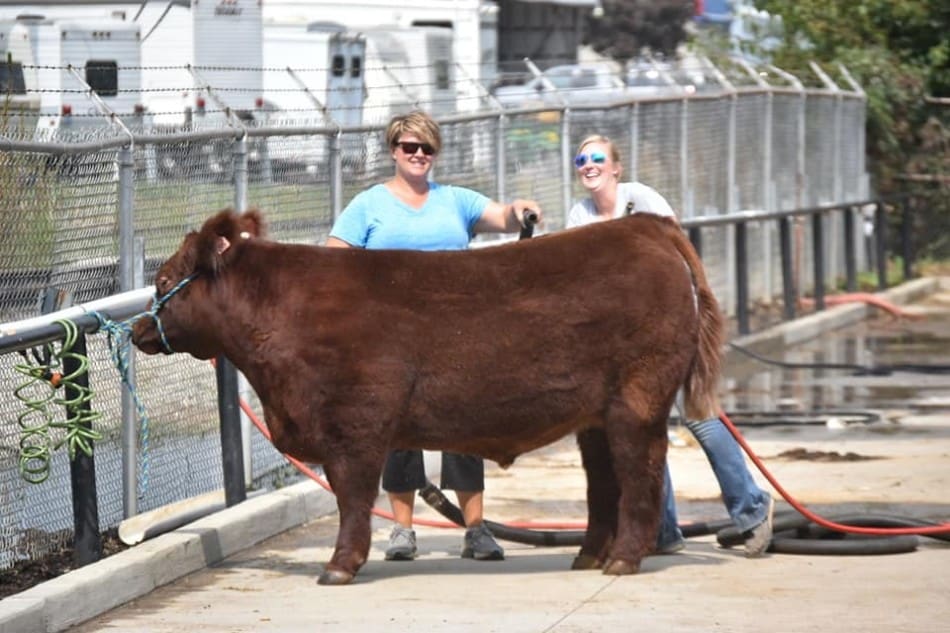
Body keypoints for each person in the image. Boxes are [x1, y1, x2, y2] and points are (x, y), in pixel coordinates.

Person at [326, 110, 542, 562]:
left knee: (464, 428)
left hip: (455, 334)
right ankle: (402, 531)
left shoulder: (454, 199)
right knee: (399, 433)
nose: (419, 155)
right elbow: (334, 259)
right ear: (393, 151)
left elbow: (500, 216)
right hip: (391, 338)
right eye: (410, 147)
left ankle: (476, 529)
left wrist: (519, 209)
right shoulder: (369, 204)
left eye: (427, 148)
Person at [566, 134, 775, 557]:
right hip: (619, 338)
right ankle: (661, 529)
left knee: (698, 415)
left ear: (616, 167)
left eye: (597, 158)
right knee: (640, 426)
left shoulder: (641, 199)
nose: (589, 164)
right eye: (581, 158)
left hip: (663, 324)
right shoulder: (579, 216)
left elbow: (676, 258)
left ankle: (752, 508)